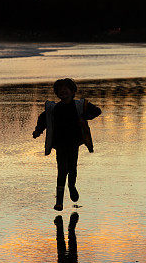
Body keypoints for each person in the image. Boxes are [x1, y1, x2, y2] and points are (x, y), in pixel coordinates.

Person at [33, 78, 101, 211]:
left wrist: (83, 117)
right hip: (60, 144)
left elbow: (97, 111)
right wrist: (38, 130)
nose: (63, 91)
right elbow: (43, 119)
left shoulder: (79, 106)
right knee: (61, 170)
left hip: (74, 143)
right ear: (57, 93)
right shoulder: (54, 108)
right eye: (60, 90)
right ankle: (59, 202)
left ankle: (72, 186)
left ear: (73, 91)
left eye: (66, 89)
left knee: (72, 168)